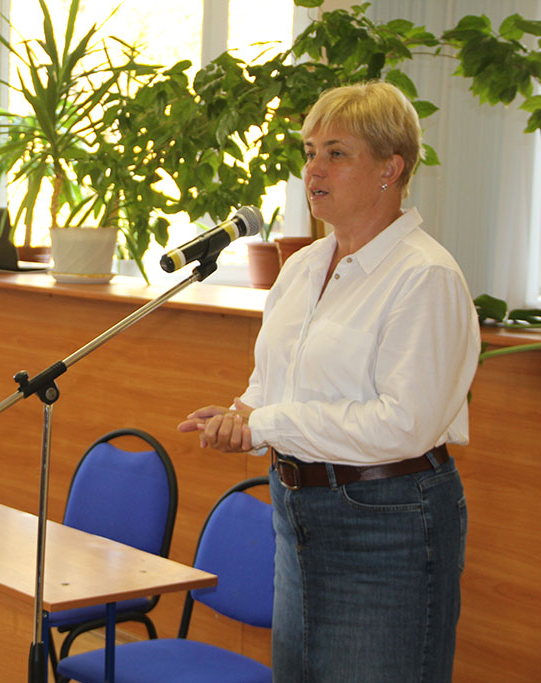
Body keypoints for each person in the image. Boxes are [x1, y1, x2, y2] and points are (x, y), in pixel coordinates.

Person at [178, 81, 479, 682]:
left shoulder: (425, 276)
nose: (313, 169)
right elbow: (274, 381)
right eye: (310, 151)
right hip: (297, 512)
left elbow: (404, 423)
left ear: (391, 168)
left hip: (388, 524)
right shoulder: (302, 267)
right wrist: (241, 417)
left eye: (336, 153)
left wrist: (267, 423)